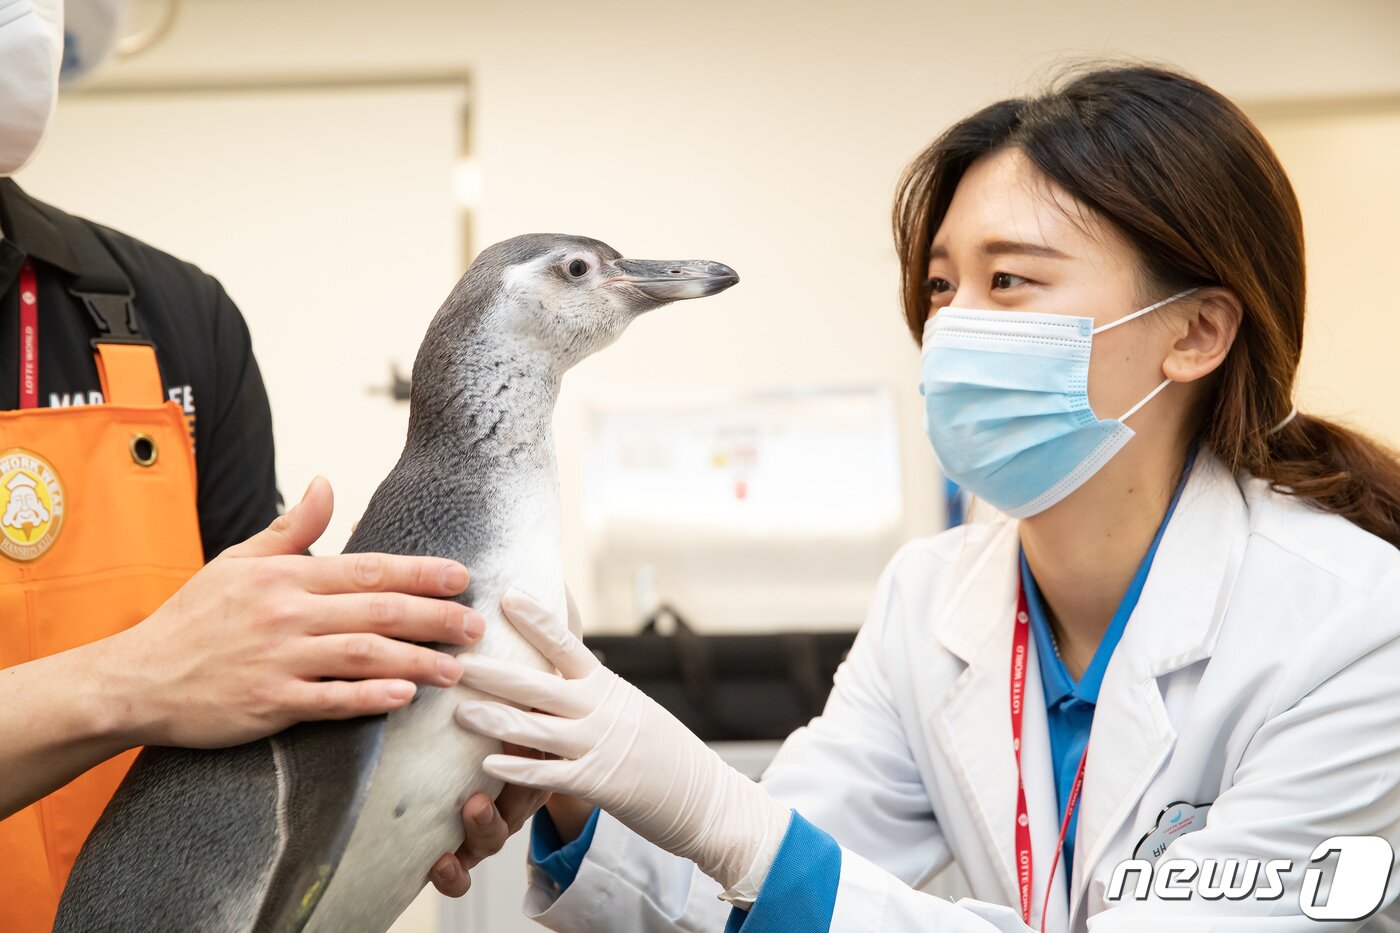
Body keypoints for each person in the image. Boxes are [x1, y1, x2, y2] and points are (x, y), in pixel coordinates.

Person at [450, 64, 1400, 931]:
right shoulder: (933, 598)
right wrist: (572, 759)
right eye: (943, 284)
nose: (951, 327)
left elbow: (765, 855)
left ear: (1194, 332)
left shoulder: (1355, 629)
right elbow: (734, 903)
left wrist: (723, 811)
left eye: (1010, 279)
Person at [0, 3, 506, 927]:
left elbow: (259, 707)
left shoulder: (166, 315)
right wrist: (134, 678)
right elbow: (178, 672)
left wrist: (405, 782)